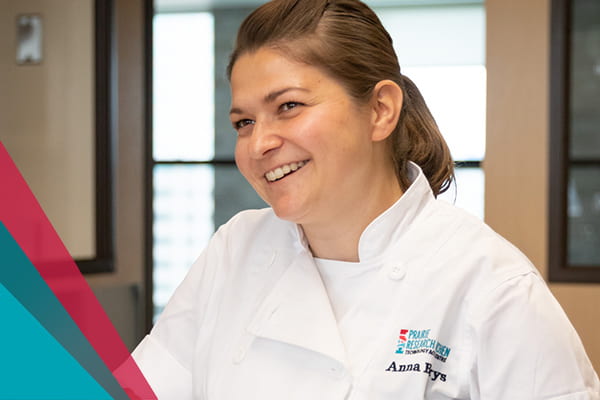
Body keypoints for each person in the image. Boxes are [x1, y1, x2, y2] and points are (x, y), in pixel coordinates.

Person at [132, 0, 600, 398]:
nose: (258, 145)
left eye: (289, 106)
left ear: (380, 110)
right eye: (244, 123)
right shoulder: (235, 249)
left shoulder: (492, 287)